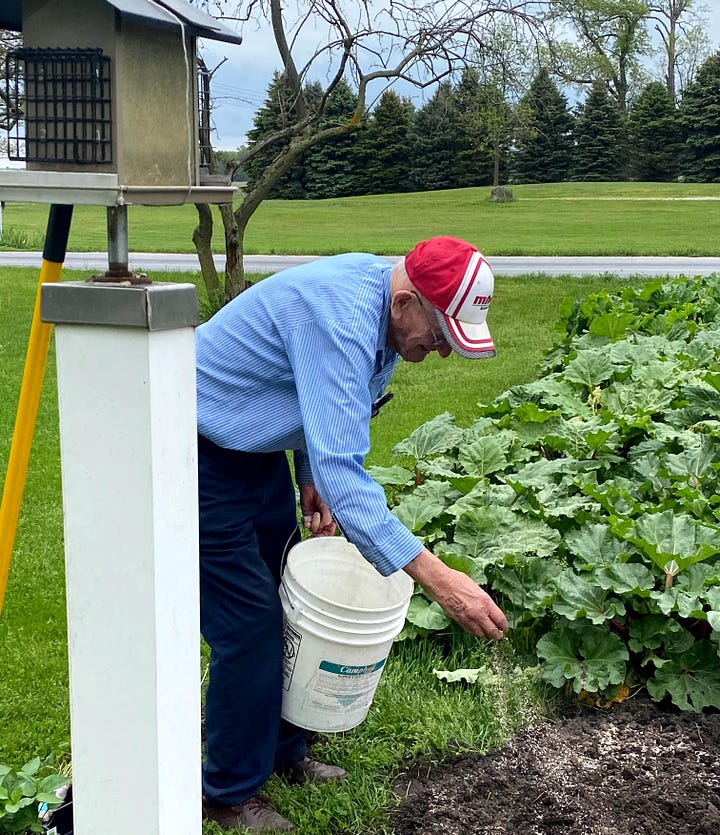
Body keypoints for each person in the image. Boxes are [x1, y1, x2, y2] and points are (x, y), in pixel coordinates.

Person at [196, 236, 509, 832]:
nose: (440, 353)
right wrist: (440, 579)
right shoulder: (337, 314)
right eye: (440, 335)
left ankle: (284, 753)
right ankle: (230, 791)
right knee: (249, 627)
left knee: (291, 607)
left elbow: (325, 402)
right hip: (204, 455)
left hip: (254, 451)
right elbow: (348, 471)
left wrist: (308, 471)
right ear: (405, 304)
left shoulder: (383, 306)